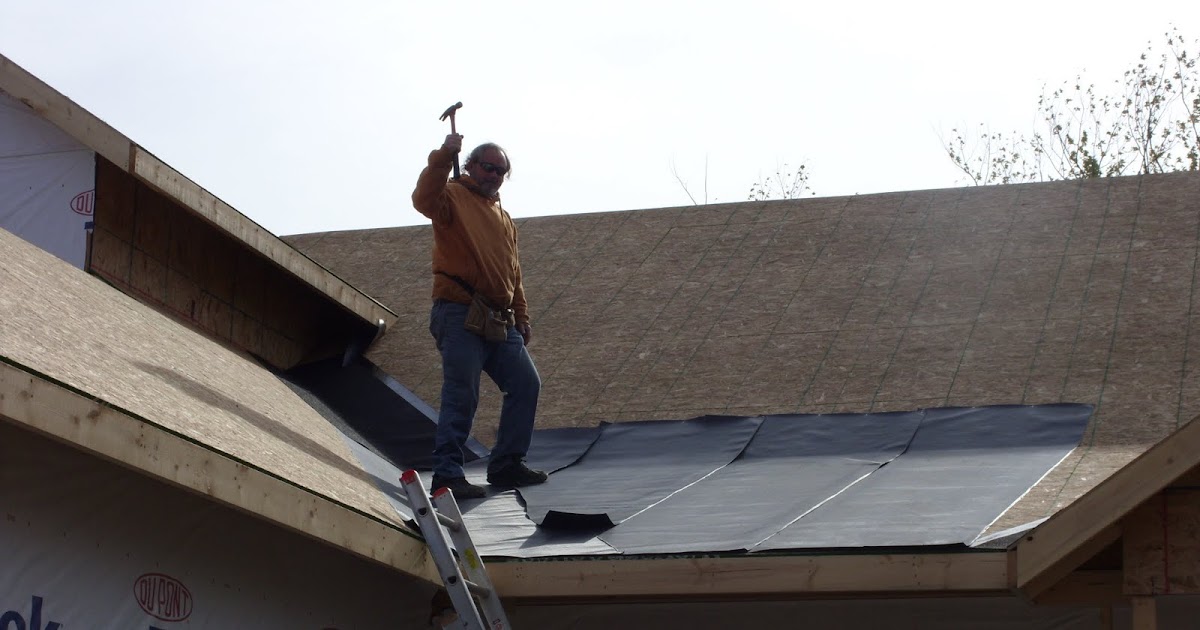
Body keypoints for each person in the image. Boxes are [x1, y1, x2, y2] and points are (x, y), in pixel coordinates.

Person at [411, 132, 548, 499]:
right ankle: (447, 475)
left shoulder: (503, 217)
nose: (493, 175)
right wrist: (443, 156)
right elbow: (423, 199)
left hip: (499, 319)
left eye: (501, 171)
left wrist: (521, 313)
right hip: (458, 311)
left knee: (525, 383)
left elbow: (512, 271)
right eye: (488, 167)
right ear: (470, 165)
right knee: (462, 394)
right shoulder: (451, 196)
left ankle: (506, 465)